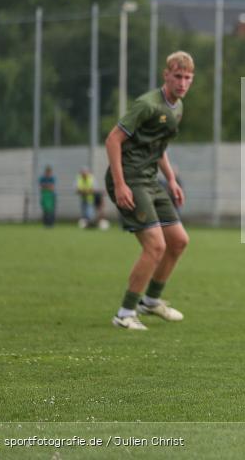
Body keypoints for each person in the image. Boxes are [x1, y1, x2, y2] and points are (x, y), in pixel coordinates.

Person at [105, 51, 194, 331]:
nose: (182, 83)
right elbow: (112, 140)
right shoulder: (147, 105)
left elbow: (159, 147)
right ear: (165, 75)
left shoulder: (177, 108)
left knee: (178, 241)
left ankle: (151, 302)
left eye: (187, 78)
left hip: (150, 180)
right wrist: (120, 184)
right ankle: (124, 313)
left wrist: (172, 180)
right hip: (130, 178)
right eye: (177, 76)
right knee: (156, 246)